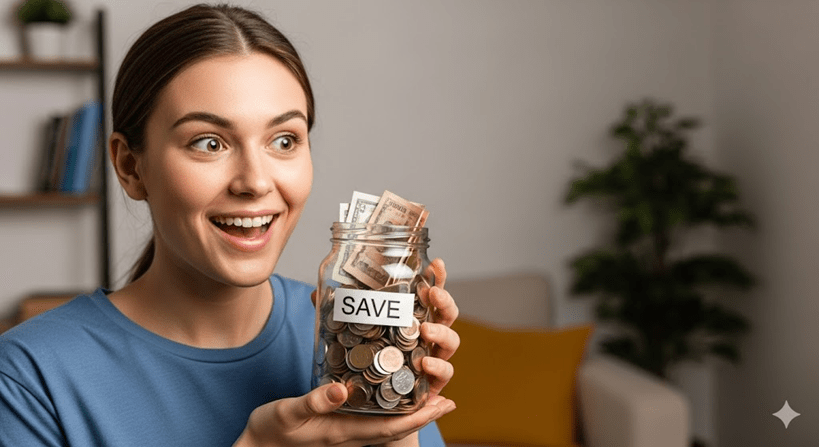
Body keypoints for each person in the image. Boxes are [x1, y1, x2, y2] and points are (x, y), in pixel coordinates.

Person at [0, 4, 459, 446]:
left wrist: (393, 435)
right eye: (209, 143)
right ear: (129, 167)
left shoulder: (354, 342)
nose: (256, 182)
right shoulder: (28, 378)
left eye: (284, 140)